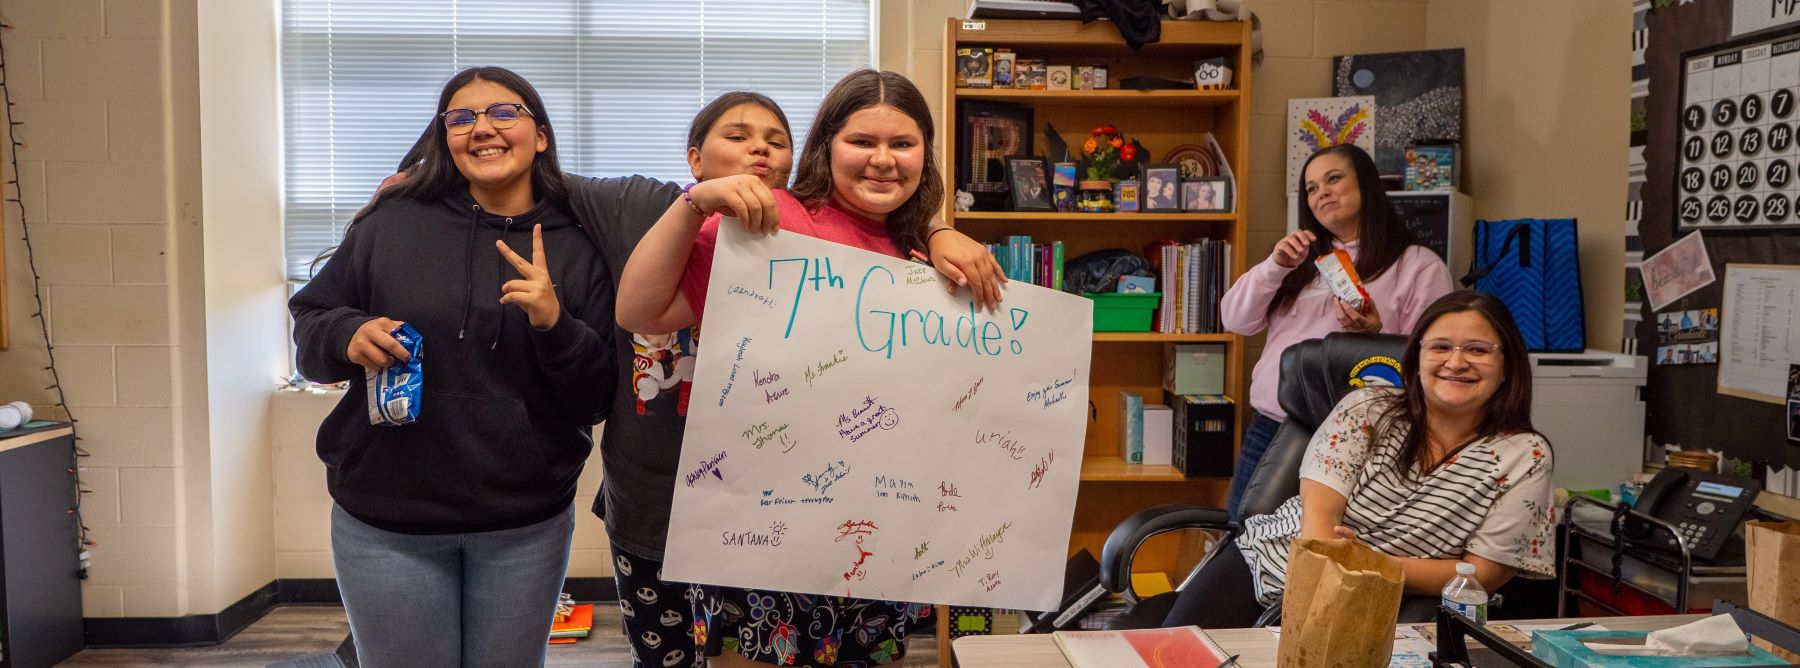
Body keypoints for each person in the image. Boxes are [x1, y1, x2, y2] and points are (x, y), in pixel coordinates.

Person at [617, 68, 942, 667]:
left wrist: (943, 234)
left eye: (902, 144)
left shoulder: (917, 248)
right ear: (826, 146)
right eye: (861, 142)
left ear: (926, 154)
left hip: (877, 523)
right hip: (763, 517)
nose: (883, 160)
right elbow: (640, 310)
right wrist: (694, 203)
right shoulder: (768, 219)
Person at [290, 66, 613, 667]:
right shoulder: (393, 222)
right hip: (386, 520)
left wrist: (553, 322)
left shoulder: (578, 240)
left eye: (503, 113)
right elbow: (310, 329)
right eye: (461, 118)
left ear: (540, 134)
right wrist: (346, 331)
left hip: (523, 524)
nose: (481, 129)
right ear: (445, 137)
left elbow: (595, 398)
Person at [1163, 290, 1556, 628]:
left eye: (1477, 350)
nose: (1456, 362)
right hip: (1272, 559)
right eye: (1440, 347)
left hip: (1395, 596)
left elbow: (1481, 576)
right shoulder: (1368, 406)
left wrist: (1370, 562)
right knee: (1173, 654)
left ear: (1507, 367)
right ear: (1416, 360)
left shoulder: (1525, 455)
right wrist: (1333, 559)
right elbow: (1319, 517)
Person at [1219, 144, 1454, 521]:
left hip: (1359, 438)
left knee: (1327, 549)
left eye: (1333, 179)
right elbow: (1235, 319)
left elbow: (1434, 357)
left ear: (1366, 185)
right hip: (1273, 426)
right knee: (1241, 542)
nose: (1321, 193)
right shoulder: (1297, 259)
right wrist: (1274, 266)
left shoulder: (1416, 265)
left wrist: (1375, 334)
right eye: (1311, 188)